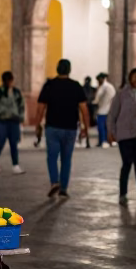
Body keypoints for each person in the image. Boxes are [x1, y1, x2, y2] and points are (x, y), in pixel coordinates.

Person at [34, 58, 89, 199]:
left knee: (52, 157)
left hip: (52, 127)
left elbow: (40, 108)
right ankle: (63, 188)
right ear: (69, 70)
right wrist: (85, 128)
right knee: (66, 159)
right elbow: (84, 109)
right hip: (70, 128)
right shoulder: (76, 86)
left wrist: (37, 125)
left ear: (57, 69)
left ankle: (54, 182)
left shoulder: (49, 85)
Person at [108, 67, 136, 207]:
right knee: (127, 163)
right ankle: (122, 194)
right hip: (125, 136)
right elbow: (112, 115)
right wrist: (111, 132)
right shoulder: (121, 94)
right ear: (130, 78)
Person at [0, 71, 25, 174]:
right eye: (8, 81)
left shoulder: (16, 92)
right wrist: (3, 112)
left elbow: (21, 105)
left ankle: (15, 165)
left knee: (14, 143)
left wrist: (21, 117)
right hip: (2, 121)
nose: (10, 83)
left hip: (14, 121)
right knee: (0, 142)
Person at [94, 73, 116, 148]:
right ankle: (102, 141)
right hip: (105, 109)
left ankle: (104, 141)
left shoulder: (105, 87)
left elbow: (98, 98)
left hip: (104, 110)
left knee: (102, 127)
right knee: (104, 127)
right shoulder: (106, 86)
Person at [82, 76, 97, 148]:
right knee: (86, 125)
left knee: (84, 125)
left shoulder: (83, 89)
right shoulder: (92, 89)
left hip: (86, 109)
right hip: (89, 109)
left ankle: (86, 140)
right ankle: (86, 140)